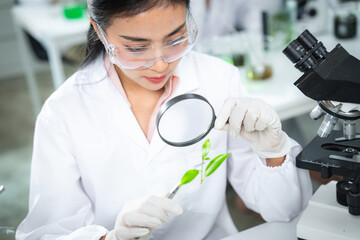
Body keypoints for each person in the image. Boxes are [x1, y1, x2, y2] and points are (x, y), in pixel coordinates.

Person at [16, 0, 312, 239]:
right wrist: (111, 238)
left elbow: (282, 212)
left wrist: (274, 153)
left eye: (176, 38)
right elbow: (45, 233)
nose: (160, 63)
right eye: (136, 48)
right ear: (99, 30)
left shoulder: (218, 79)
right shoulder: (64, 112)